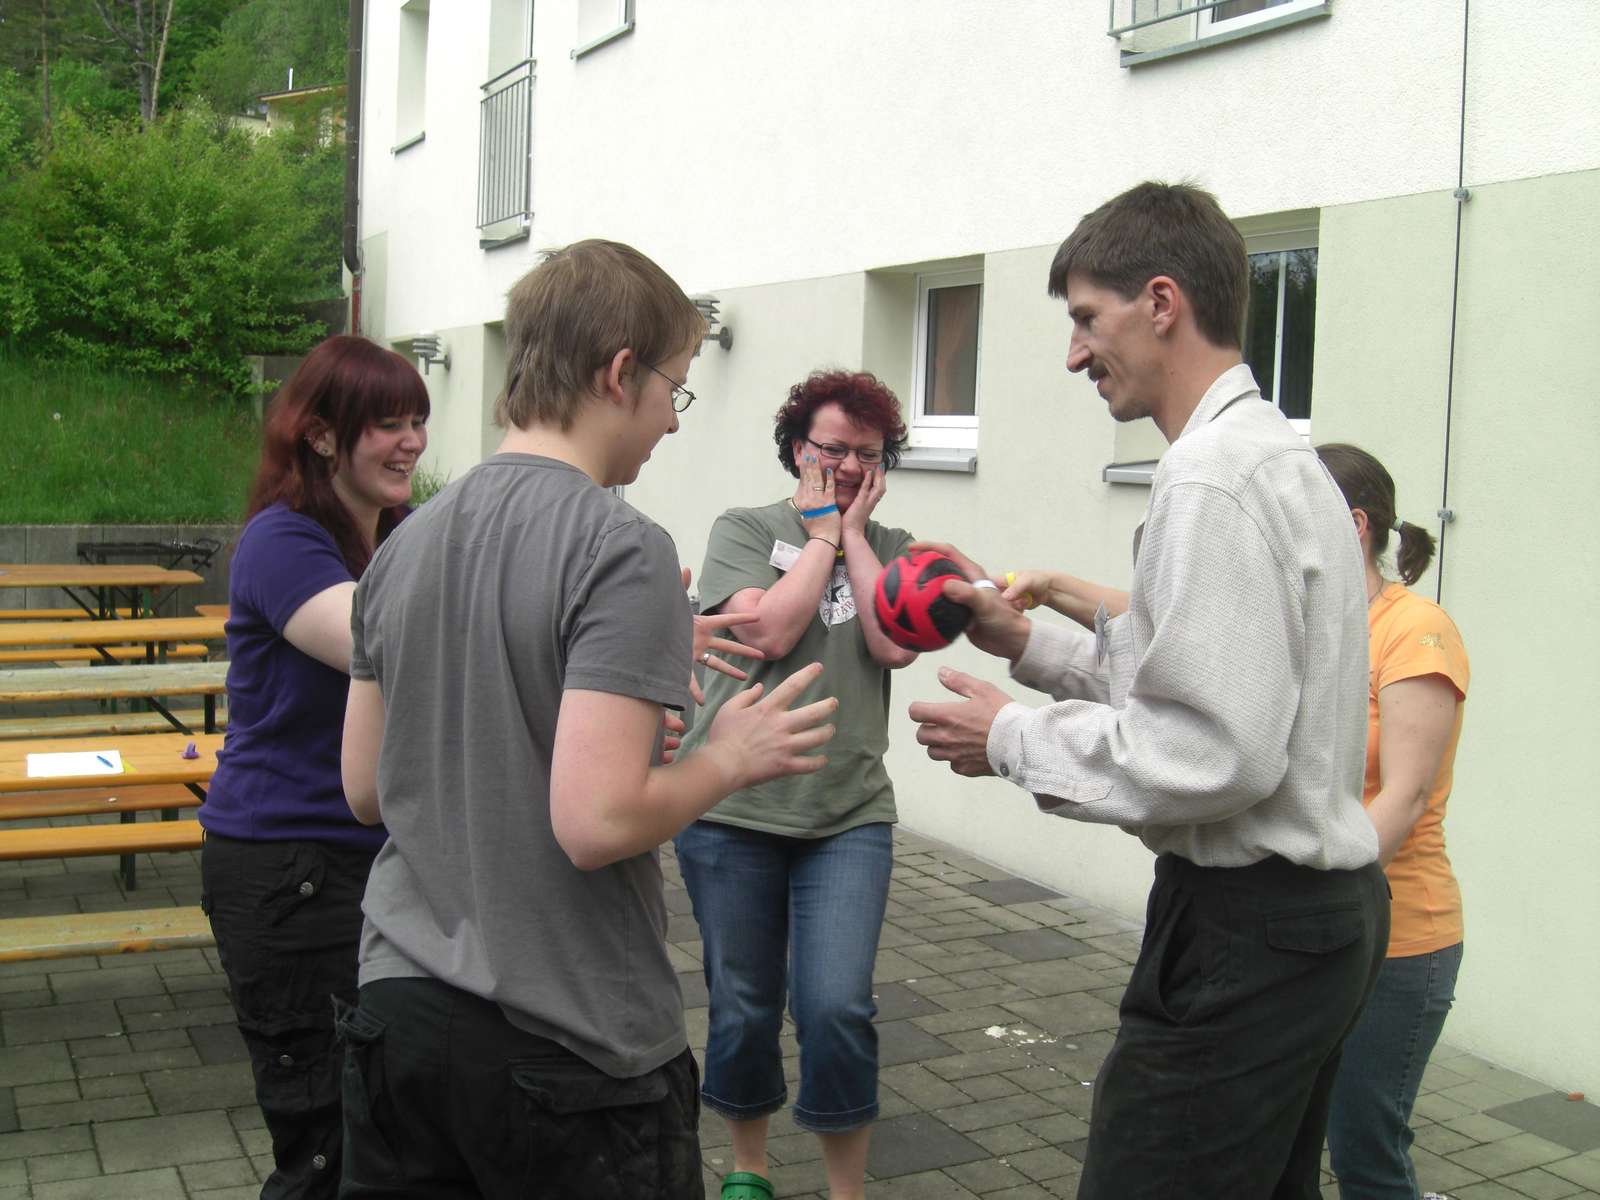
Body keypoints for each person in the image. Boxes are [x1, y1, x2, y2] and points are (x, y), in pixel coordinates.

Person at [908, 181, 1389, 1198]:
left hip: (1247, 934)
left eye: (1088, 319)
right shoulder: (1279, 458)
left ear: (1161, 303)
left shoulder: (1211, 477)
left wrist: (1012, 740)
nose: (1074, 353)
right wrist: (1028, 645)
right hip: (1313, 925)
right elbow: (1211, 683)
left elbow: (1215, 752)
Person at [335, 239, 838, 1199]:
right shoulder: (621, 545)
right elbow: (596, 822)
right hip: (565, 1045)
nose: (673, 421)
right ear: (619, 373)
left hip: (399, 1024)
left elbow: (364, 787)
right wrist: (728, 757)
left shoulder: (404, 544)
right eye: (674, 389)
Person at [674, 370, 917, 1200]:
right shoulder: (743, 528)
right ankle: (750, 1170)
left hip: (847, 813)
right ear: (797, 448)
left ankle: (847, 1190)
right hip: (731, 807)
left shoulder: (894, 546)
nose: (848, 466)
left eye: (868, 454)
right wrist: (818, 540)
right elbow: (769, 631)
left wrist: (852, 536)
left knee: (837, 1006)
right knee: (743, 1003)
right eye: (832, 449)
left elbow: (892, 645)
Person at [199, 335, 429, 1199]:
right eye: (389, 424)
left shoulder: (400, 538)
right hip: (288, 866)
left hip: (376, 856)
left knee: (389, 1125)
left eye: (418, 422)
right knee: (325, 1142)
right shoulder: (281, 541)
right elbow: (381, 641)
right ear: (323, 435)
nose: (411, 442)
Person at [1317, 444, 1470, 1200]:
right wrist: (1052, 593)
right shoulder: (1314, 623)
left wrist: (1309, 901)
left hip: (1399, 937)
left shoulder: (1417, 631)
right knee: (1291, 1133)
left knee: (1365, 1150)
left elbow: (1403, 799)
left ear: (1353, 525)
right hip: (1322, 928)